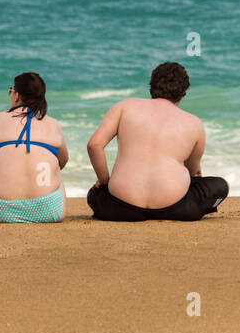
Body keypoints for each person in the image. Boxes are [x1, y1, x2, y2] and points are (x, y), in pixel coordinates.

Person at [86, 62, 228, 221]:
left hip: (118, 208)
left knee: (93, 194)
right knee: (221, 186)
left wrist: (105, 183)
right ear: (183, 92)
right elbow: (194, 173)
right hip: (176, 209)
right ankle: (198, 210)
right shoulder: (194, 123)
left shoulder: (124, 107)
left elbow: (94, 145)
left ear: (151, 85)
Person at [0, 72, 69, 223]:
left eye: (10, 90)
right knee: (54, 165)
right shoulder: (53, 124)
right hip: (50, 210)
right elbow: (63, 162)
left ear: (17, 95)